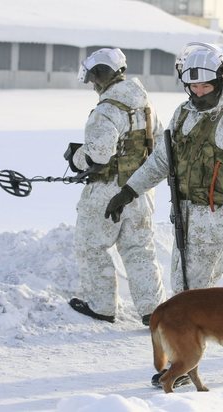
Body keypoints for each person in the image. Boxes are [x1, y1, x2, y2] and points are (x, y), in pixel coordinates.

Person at [105, 42, 223, 383]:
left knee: (191, 296)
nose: (199, 91)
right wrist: (128, 190)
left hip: (218, 217)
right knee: (190, 290)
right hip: (187, 215)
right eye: (193, 85)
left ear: (222, 80)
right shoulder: (184, 114)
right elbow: (161, 161)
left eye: (206, 85)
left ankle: (182, 369)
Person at [66, 48, 166, 326]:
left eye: (92, 79)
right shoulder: (146, 104)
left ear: (100, 74)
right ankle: (153, 312)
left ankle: (101, 306)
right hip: (140, 190)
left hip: (107, 190)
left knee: (91, 245)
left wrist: (75, 157)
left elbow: (98, 153)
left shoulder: (107, 109)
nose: (92, 85)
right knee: (139, 249)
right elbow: (158, 142)